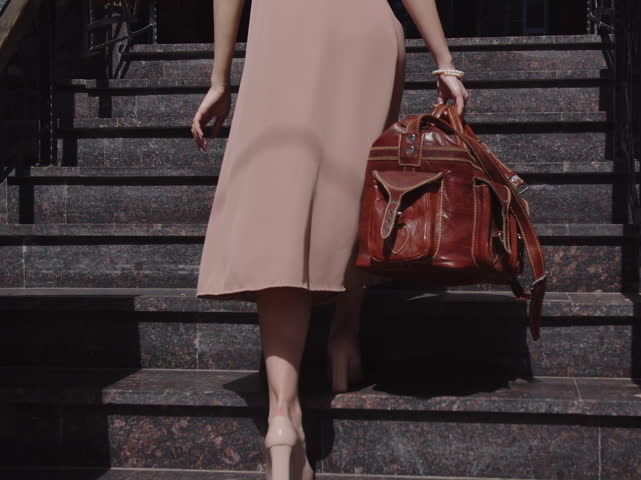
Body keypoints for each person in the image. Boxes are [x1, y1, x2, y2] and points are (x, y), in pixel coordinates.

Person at [189, 1, 469, 479]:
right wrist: (444, 61)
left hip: (283, 29)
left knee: (282, 207)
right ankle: (344, 337)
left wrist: (219, 78)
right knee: (355, 190)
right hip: (364, 31)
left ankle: (283, 414)